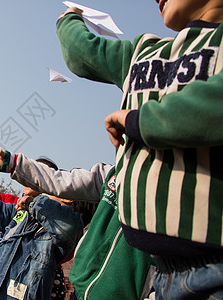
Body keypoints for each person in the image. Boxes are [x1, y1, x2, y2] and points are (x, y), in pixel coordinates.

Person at [57, 1, 223, 297]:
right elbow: (84, 53)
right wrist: (69, 20)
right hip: (161, 273)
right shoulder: (144, 52)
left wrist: (140, 121)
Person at [0, 146, 156, 300]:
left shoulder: (64, 225)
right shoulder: (112, 174)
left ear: (68, 199)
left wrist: (33, 203)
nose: (36, 185)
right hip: (81, 290)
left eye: (43, 185)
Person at [0, 165, 83, 300]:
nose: (40, 195)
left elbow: (64, 228)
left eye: (46, 189)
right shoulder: (21, 214)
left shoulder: (71, 224)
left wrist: (32, 203)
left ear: (67, 197)